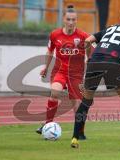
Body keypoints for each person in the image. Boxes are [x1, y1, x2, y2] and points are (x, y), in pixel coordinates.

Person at [71, 10, 120, 149]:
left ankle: (75, 138)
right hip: (113, 62)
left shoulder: (110, 28)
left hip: (94, 62)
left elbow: (88, 40)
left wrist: (89, 57)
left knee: (86, 101)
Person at [36, 5, 90, 140]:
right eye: (68, 19)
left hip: (76, 74)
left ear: (76, 21)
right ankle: (47, 125)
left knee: (76, 103)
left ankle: (80, 132)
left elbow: (90, 52)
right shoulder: (55, 34)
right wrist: (46, 67)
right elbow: (50, 51)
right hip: (59, 71)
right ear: (63, 19)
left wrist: (88, 60)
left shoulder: (84, 36)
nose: (71, 22)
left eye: (74, 20)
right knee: (54, 93)